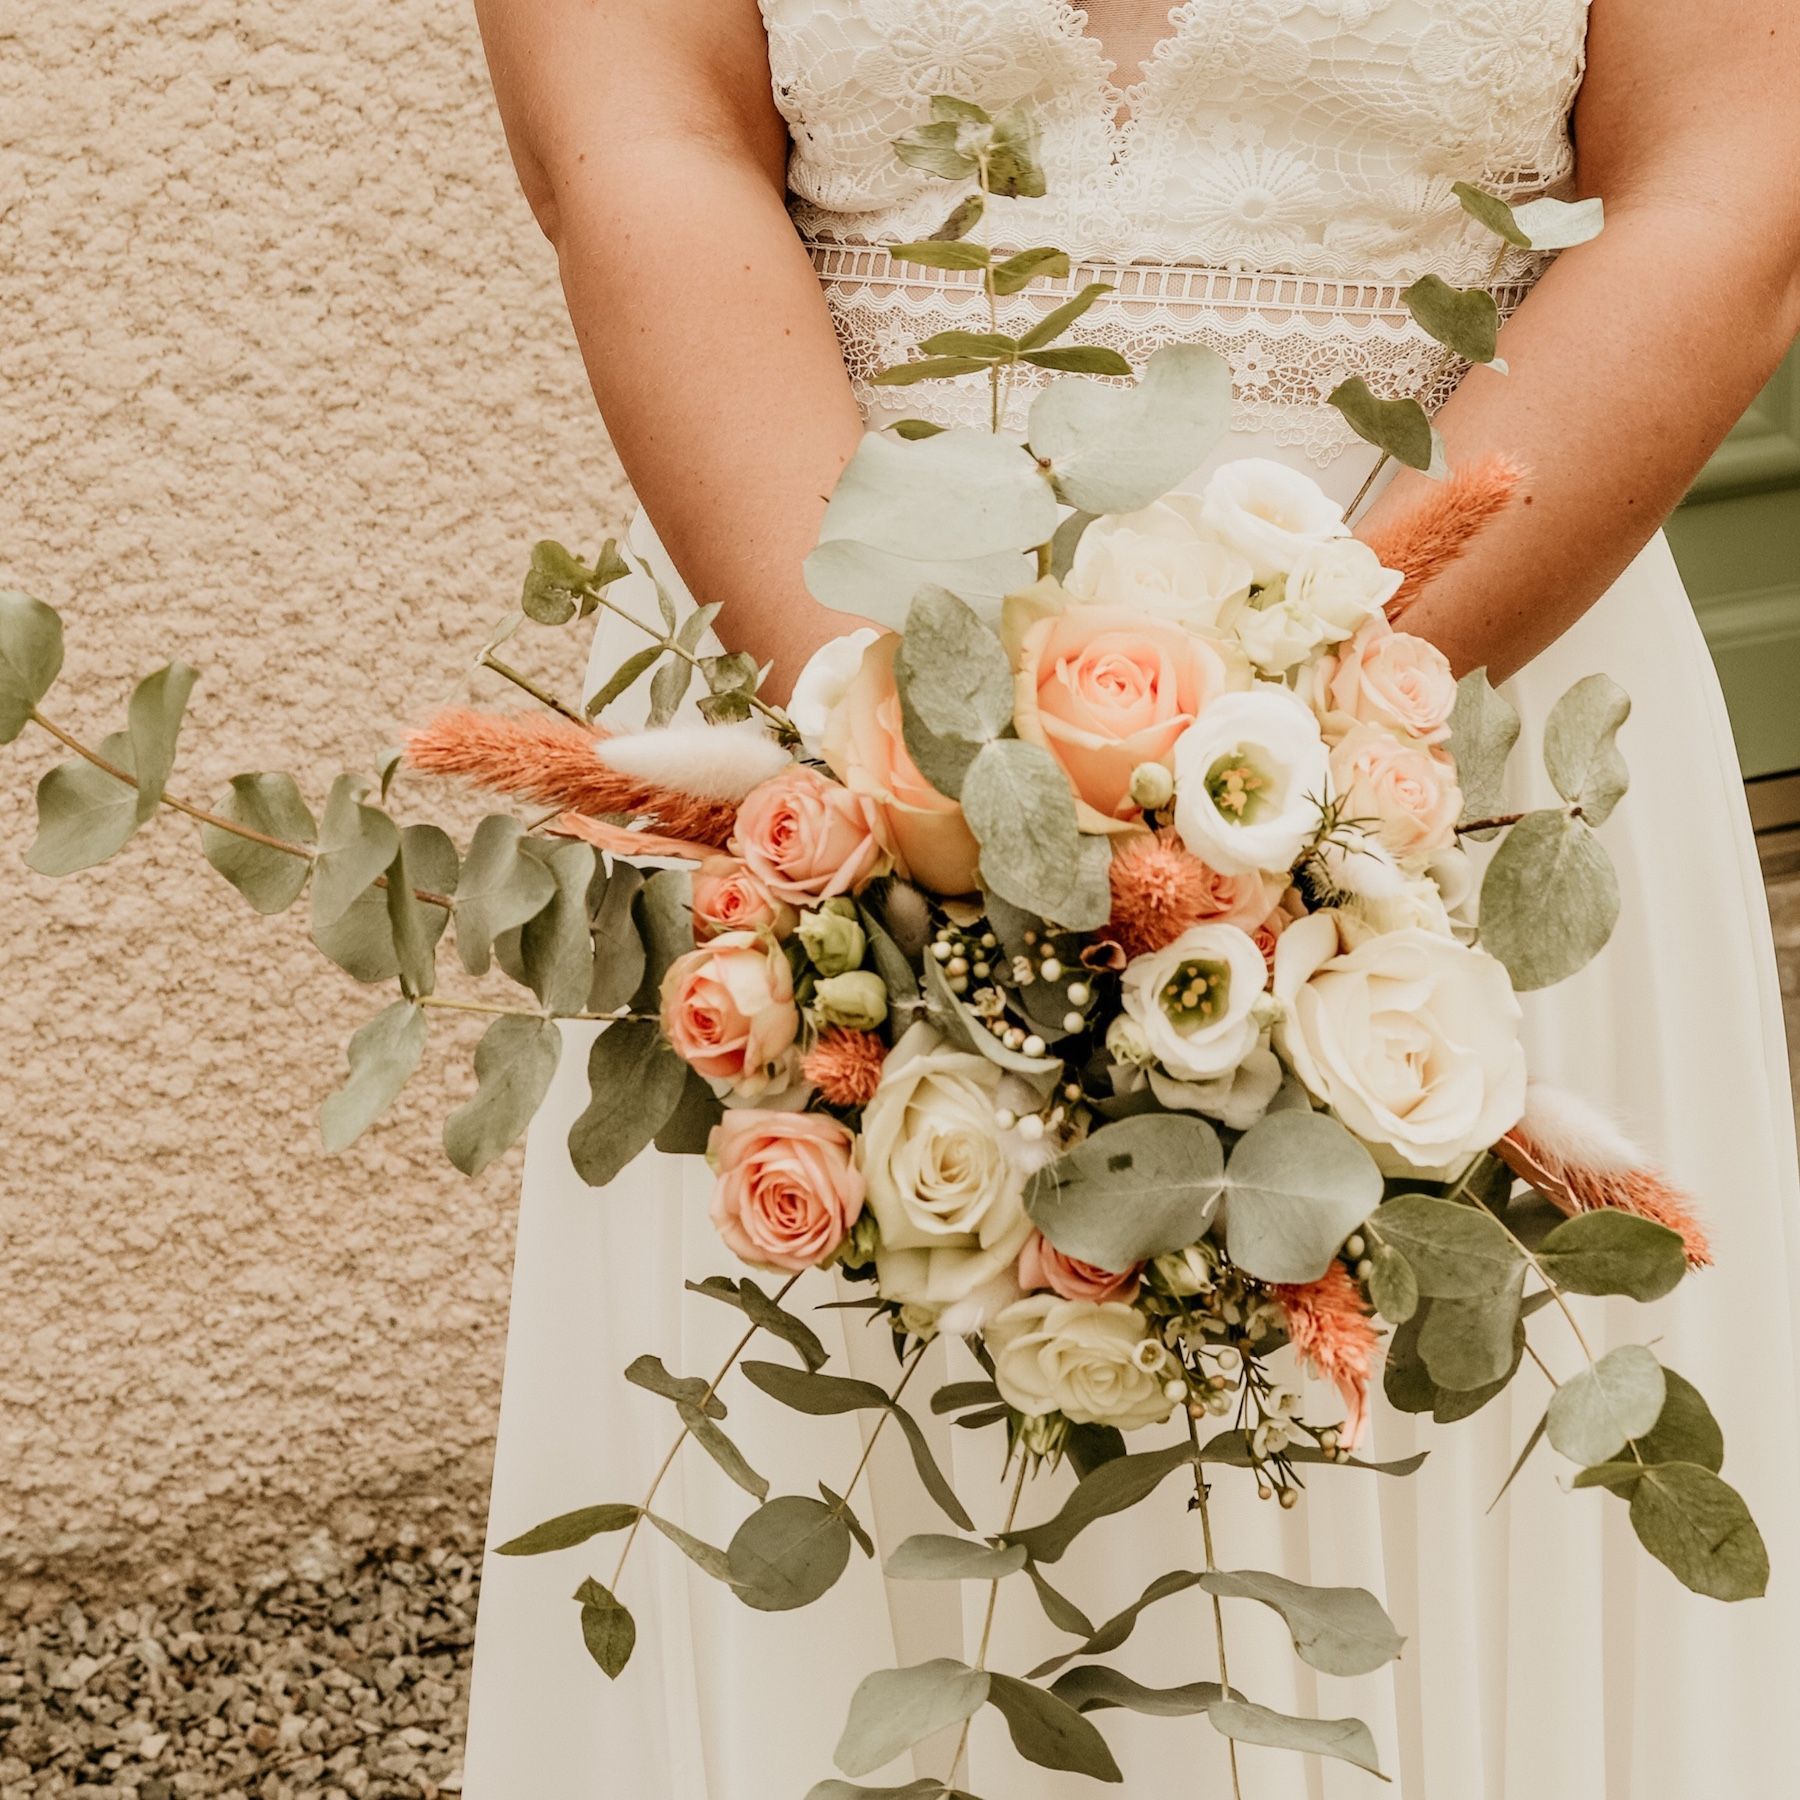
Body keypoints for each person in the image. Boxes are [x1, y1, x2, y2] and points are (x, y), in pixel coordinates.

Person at [464, 3, 1800, 1794]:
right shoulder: (860, 738)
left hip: (1462, 710)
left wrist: (1302, 782)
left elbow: (1723, 186)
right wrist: (912, 775)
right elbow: (642, 151)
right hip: (812, 668)